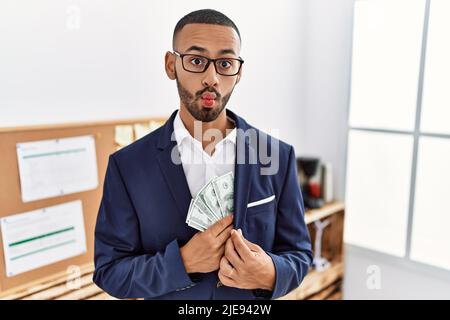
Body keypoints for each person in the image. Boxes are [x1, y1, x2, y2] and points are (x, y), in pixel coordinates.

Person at [93, 8, 312, 300]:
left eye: (225, 63)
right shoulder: (128, 165)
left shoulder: (277, 156)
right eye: (197, 61)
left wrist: (270, 273)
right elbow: (110, 271)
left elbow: (299, 254)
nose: (212, 78)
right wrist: (182, 263)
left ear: (239, 72)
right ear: (171, 65)